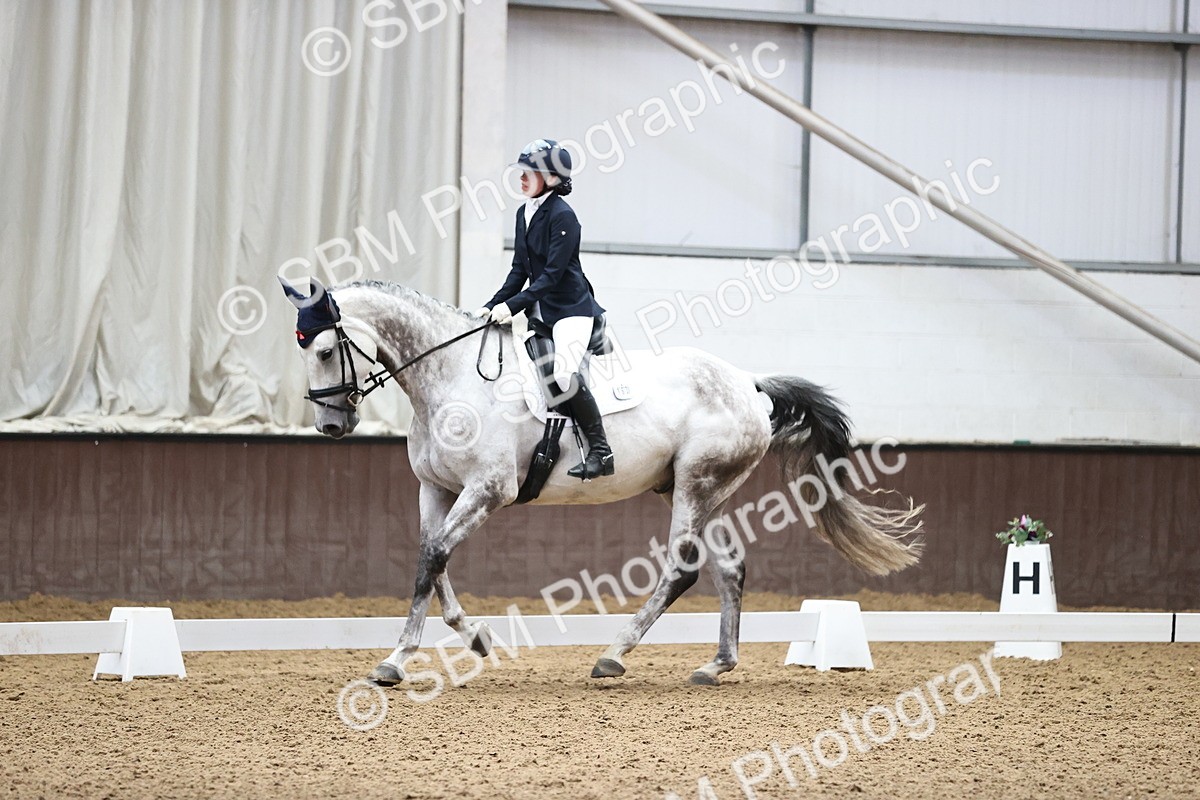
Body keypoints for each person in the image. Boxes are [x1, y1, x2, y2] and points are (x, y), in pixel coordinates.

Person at [474, 139, 614, 480]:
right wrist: (492, 304)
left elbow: (551, 277)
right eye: (521, 171)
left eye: (530, 172)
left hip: (571, 311)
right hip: (543, 314)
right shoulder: (524, 213)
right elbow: (519, 271)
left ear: (552, 179)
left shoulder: (564, 216)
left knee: (564, 376)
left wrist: (512, 306)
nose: (522, 178)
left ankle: (601, 452)